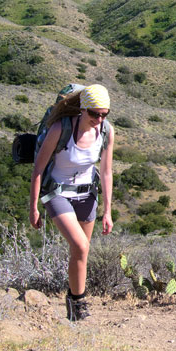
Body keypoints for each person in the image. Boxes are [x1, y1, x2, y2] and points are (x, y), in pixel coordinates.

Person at [29, 84, 115, 321]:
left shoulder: (106, 131)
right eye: (94, 113)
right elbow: (39, 168)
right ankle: (79, 302)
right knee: (81, 245)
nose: (99, 119)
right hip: (56, 193)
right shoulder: (61, 128)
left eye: (104, 114)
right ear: (83, 109)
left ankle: (72, 304)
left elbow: (106, 172)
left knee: (80, 252)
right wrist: (33, 206)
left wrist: (107, 212)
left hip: (87, 195)